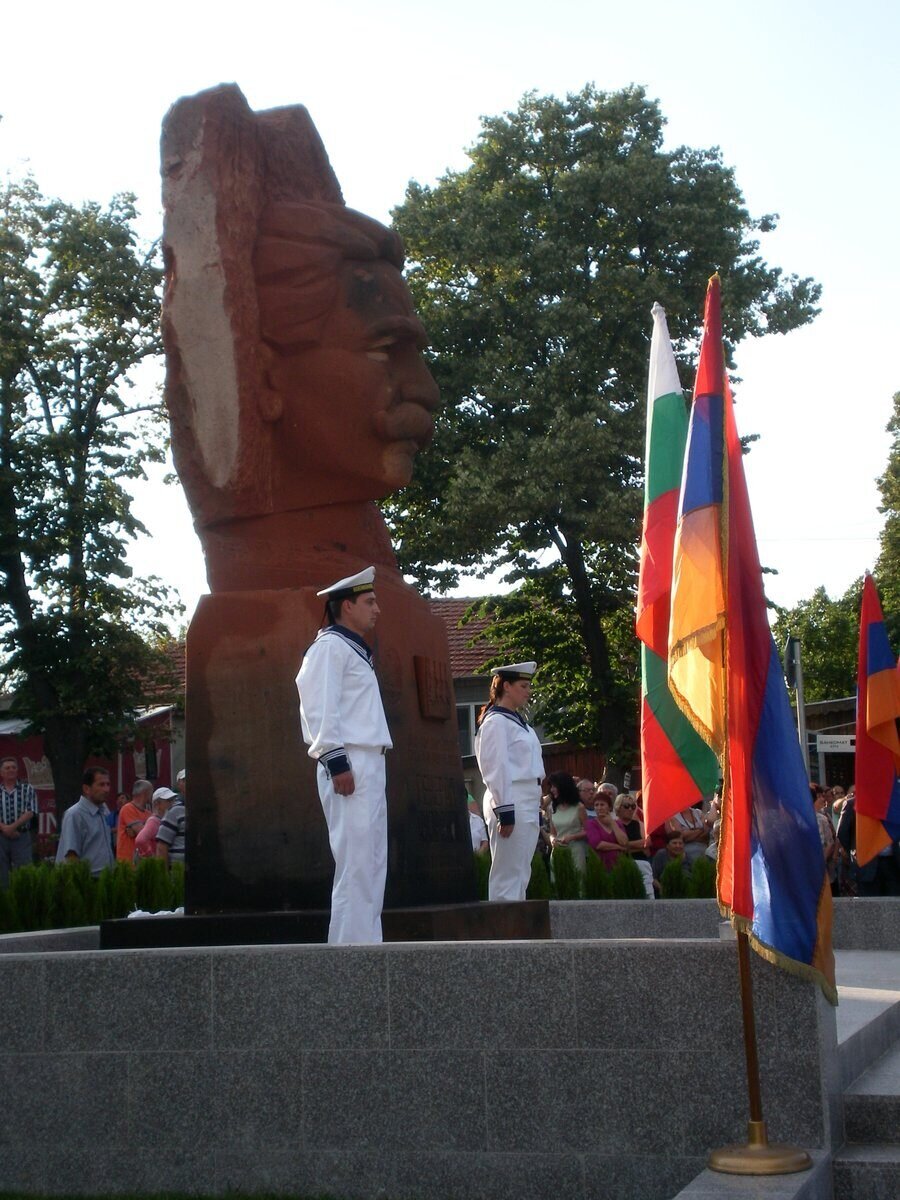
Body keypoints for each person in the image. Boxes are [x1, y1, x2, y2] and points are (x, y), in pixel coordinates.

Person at [296, 566, 392, 944]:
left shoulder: (350, 649)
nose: (377, 609)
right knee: (356, 863)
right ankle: (351, 953)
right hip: (350, 759)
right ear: (347, 606)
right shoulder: (330, 647)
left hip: (368, 758)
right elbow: (319, 705)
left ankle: (366, 945)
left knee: (371, 863)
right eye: (369, 602)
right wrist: (335, 760)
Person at [475, 662, 544, 902]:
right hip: (510, 796)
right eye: (523, 686)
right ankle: (503, 925)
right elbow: (495, 768)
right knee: (508, 875)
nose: (528, 691)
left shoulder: (519, 723)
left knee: (521, 873)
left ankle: (516, 924)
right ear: (506, 686)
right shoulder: (496, 722)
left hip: (526, 797)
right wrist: (504, 810)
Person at [55, 768, 115, 876]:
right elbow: (71, 855)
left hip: (106, 878)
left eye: (108, 784)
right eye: (101, 785)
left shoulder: (105, 810)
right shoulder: (74, 815)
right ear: (86, 789)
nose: (106, 789)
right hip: (87, 879)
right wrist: (81, 882)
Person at [0, 755, 37, 887]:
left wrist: (12, 827)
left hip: (21, 836)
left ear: (17, 770)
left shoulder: (27, 788)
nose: (11, 770)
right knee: (1, 875)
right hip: (1, 836)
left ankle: (23, 898)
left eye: (13, 767)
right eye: (7, 768)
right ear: (1, 772)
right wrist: (5, 828)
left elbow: (30, 811)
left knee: (24, 872)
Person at [614, 793, 654, 898]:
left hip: (641, 862)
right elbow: (616, 846)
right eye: (626, 806)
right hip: (622, 863)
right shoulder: (614, 825)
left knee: (648, 894)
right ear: (618, 808)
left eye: (633, 806)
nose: (630, 809)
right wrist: (639, 846)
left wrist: (626, 845)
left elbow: (647, 842)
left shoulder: (639, 824)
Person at [548, 772, 588, 873]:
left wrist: (572, 837)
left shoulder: (579, 807)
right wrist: (552, 840)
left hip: (576, 851)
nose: (551, 790)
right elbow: (552, 832)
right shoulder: (552, 809)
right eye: (551, 786)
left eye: (554, 786)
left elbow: (588, 831)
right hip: (558, 852)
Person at [585, 790, 628, 870]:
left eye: (602, 805)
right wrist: (619, 847)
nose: (599, 808)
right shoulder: (591, 824)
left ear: (609, 807)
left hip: (619, 865)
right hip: (600, 865)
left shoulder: (617, 823)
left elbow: (624, 842)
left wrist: (612, 823)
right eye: (596, 805)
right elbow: (598, 845)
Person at [134, 787, 178, 859]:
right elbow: (140, 840)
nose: (172, 803)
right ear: (157, 804)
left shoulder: (163, 819)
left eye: (173, 800)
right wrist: (151, 856)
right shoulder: (154, 821)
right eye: (168, 801)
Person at [115, 780, 153, 862]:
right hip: (127, 862)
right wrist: (147, 827)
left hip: (142, 861)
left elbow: (154, 832)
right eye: (151, 792)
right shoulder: (127, 809)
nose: (152, 795)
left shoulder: (149, 813)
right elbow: (143, 834)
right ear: (145, 792)